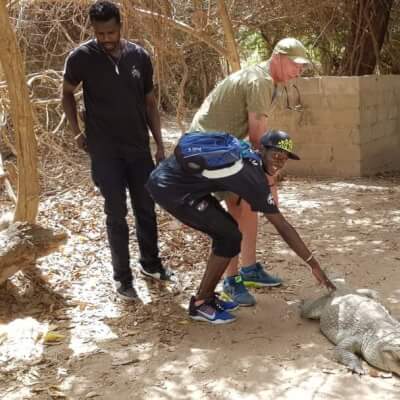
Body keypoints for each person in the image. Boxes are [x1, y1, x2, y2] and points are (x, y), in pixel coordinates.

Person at [147, 130, 336, 324]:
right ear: (262, 149)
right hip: (171, 189)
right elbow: (282, 225)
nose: (279, 162)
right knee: (229, 237)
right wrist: (313, 265)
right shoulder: (252, 176)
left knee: (229, 232)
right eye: (276, 155)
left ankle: (208, 297)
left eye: (284, 158)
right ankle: (201, 304)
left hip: (178, 183)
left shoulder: (247, 155)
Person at [61, 0, 171, 301]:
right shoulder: (81, 58)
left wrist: (159, 143)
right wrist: (76, 132)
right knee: (116, 213)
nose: (106, 39)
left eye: (111, 32)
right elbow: (67, 93)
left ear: (120, 26)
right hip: (105, 150)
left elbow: (149, 101)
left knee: (146, 209)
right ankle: (123, 279)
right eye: (100, 34)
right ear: (93, 31)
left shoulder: (139, 56)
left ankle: (151, 264)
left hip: (138, 149)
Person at [190, 38, 310, 306]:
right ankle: (231, 282)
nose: (299, 71)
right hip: (207, 148)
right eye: (295, 64)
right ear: (278, 57)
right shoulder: (261, 82)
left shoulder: (271, 82)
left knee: (246, 206)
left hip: (224, 145)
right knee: (236, 207)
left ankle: (249, 268)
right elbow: (258, 139)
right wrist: (268, 183)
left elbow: (258, 137)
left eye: (302, 66)